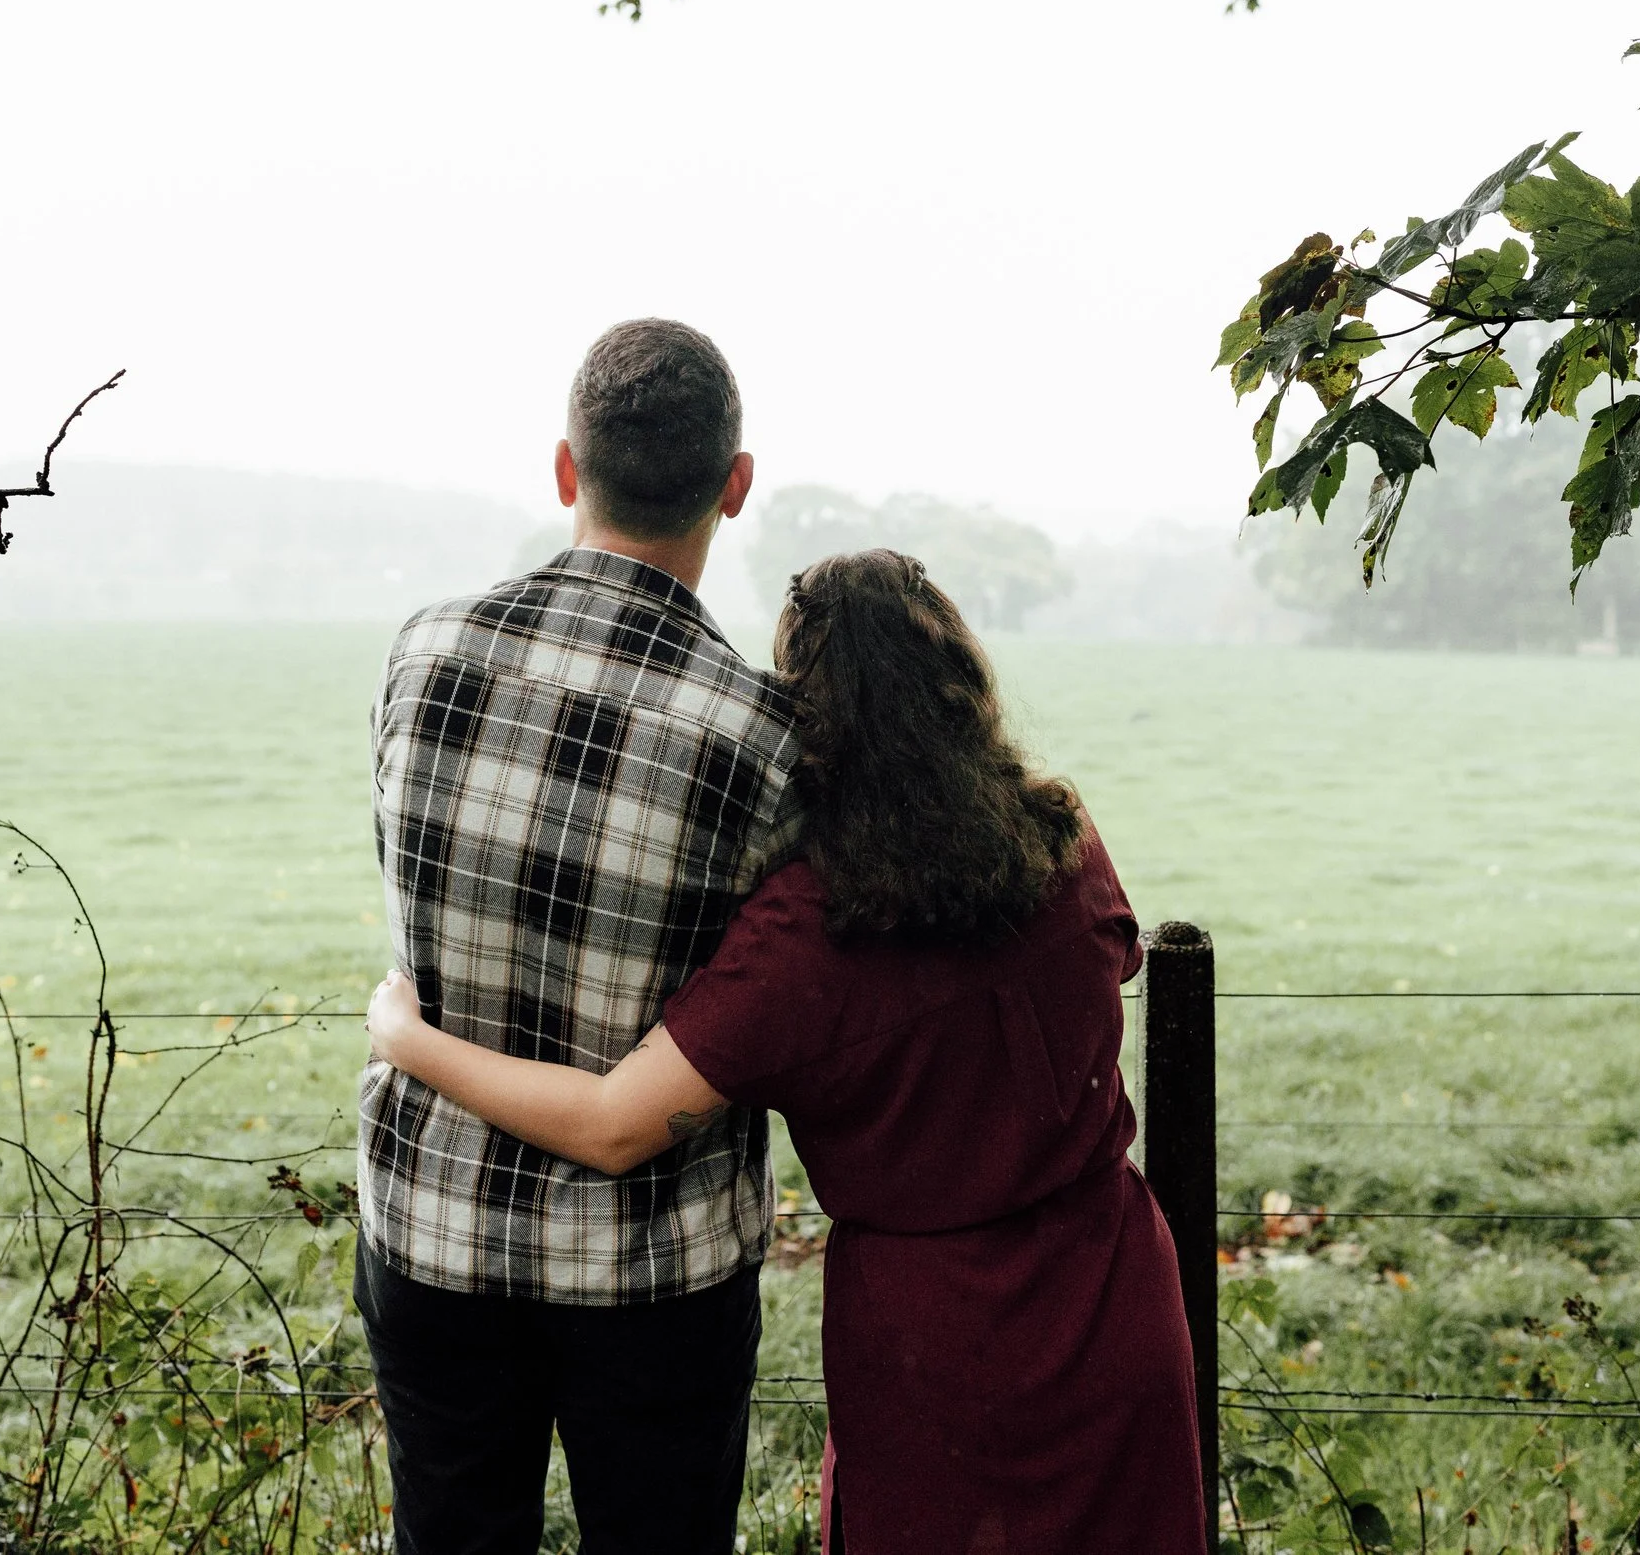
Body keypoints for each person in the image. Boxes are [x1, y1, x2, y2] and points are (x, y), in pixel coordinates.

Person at [367, 548, 1205, 1555]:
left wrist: (408, 1038)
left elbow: (612, 1122)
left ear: (810, 718)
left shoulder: (811, 928)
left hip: (932, 1335)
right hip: (1110, 1283)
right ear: (960, 677)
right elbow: (1109, 963)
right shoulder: (1059, 833)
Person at [359, 319, 802, 1553]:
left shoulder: (422, 653)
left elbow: (414, 913)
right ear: (735, 484)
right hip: (655, 1266)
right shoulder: (764, 737)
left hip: (432, 1229)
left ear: (567, 468)